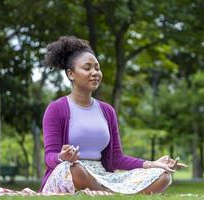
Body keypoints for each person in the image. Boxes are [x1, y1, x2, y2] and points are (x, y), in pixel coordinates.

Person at [40, 36, 187, 195]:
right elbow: (49, 157)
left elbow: (117, 158)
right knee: (75, 170)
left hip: (103, 177)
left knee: (163, 176)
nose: (95, 73)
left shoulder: (107, 110)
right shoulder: (56, 109)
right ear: (71, 74)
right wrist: (62, 157)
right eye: (87, 68)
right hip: (71, 172)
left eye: (97, 68)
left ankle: (105, 194)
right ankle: (114, 195)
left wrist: (152, 164)